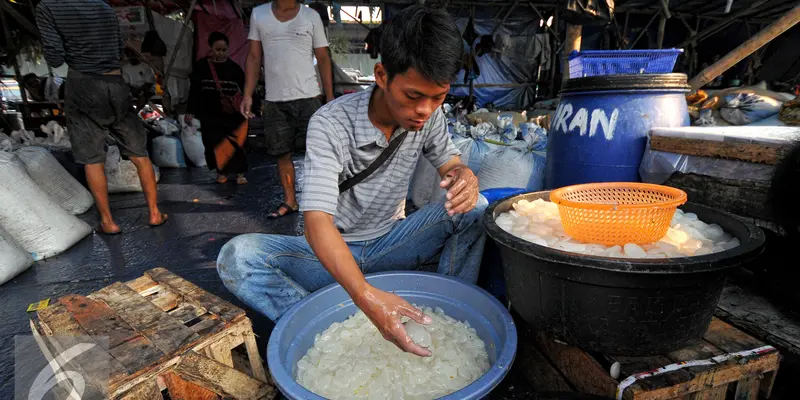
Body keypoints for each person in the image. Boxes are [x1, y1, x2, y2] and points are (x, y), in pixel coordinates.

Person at [218, 6, 486, 357]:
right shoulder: (330, 123)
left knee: (477, 209)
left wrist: (464, 175)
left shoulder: (429, 116)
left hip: (391, 243)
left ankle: (448, 315)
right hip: (333, 253)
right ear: (381, 75)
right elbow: (316, 223)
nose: (425, 110)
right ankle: (330, 333)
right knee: (238, 257)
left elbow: (449, 163)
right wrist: (366, 297)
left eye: (437, 97)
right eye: (413, 96)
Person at [35, 0, 167, 235]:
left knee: (92, 158)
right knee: (139, 154)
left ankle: (108, 222)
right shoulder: (104, 7)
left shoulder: (48, 7)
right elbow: (118, 48)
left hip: (83, 84)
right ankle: (155, 212)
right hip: (115, 83)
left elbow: (54, 57)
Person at [241, 0, 334, 218]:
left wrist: (330, 97)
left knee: (320, 153)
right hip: (274, 100)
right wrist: (247, 94)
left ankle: (322, 204)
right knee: (281, 153)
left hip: (309, 97)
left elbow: (322, 57)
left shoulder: (310, 16)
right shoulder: (259, 14)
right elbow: (254, 57)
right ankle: (290, 201)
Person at [187, 32, 248, 184]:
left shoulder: (235, 69)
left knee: (236, 142)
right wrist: (190, 111)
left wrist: (251, 108)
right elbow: (194, 90)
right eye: (217, 49)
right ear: (211, 48)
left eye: (224, 50)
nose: (220, 53)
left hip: (233, 113)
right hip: (209, 113)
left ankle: (240, 174)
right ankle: (221, 173)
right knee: (214, 143)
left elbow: (246, 90)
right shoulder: (201, 67)